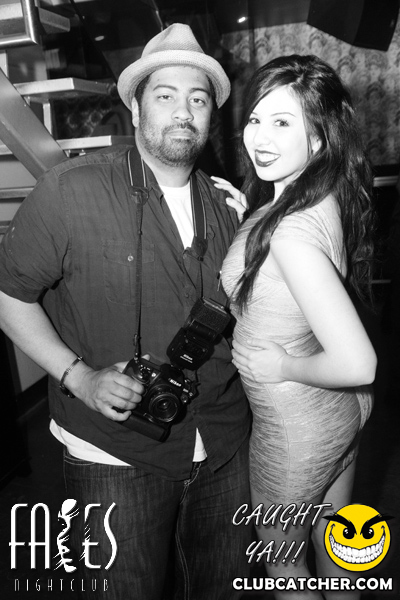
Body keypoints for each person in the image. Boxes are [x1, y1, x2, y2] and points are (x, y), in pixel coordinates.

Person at [0, 24, 252, 599]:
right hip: (112, 455)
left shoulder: (228, 206)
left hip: (223, 445)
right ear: (136, 108)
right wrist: (79, 377)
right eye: (165, 95)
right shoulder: (70, 191)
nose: (183, 111)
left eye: (198, 99)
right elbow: (9, 294)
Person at [215, 55, 377, 599]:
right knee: (340, 548)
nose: (259, 137)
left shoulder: (289, 234)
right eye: (255, 118)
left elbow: (359, 363)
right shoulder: (319, 194)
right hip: (339, 411)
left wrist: (281, 364)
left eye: (282, 122)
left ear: (318, 137)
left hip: (295, 427)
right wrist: (251, 219)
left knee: (283, 564)